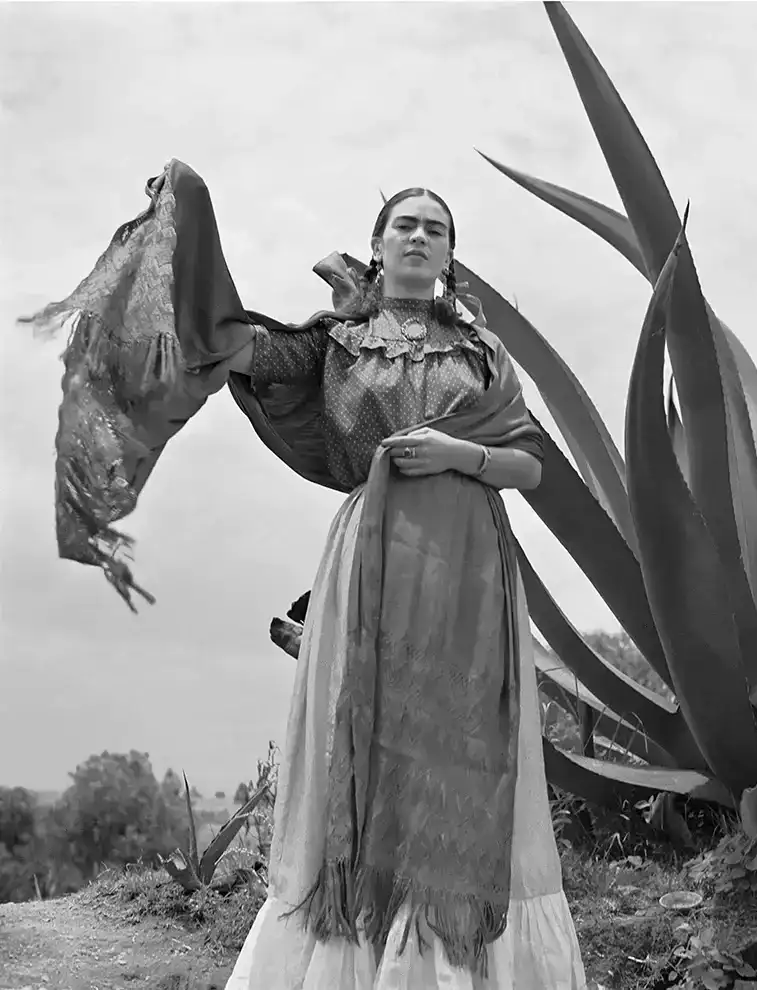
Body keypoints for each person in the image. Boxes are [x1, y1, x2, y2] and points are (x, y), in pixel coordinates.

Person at [21, 161, 586, 989]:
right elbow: (238, 346)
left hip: (471, 565)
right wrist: (188, 226)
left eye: (436, 226)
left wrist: (461, 454)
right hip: (375, 556)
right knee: (375, 738)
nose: (420, 235)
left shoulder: (482, 353)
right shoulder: (336, 346)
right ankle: (368, 950)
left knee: (461, 745)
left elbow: (532, 467)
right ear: (378, 247)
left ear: (452, 255)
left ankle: (457, 952)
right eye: (406, 224)